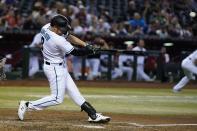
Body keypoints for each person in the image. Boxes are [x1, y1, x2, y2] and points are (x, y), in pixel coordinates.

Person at [18, 14, 110, 123]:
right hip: (54, 69)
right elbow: (76, 52)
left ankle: (93, 115)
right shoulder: (57, 40)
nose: (63, 31)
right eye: (61, 29)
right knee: (57, 99)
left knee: (75, 93)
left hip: (60, 66)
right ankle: (27, 104)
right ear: (55, 27)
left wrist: (86, 45)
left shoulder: (46, 27)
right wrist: (91, 50)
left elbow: (69, 36)